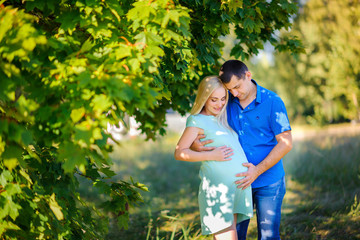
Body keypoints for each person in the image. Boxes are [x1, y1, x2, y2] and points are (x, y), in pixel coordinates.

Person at [191, 60, 293, 240]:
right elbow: (202, 126)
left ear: (248, 75)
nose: (235, 93)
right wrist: (195, 145)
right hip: (235, 183)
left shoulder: (272, 102)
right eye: (230, 90)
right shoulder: (226, 101)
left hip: (269, 181)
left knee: (269, 235)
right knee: (235, 235)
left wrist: (257, 171)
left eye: (237, 87)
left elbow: (285, 143)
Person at [174, 76, 253, 240]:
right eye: (214, 100)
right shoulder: (196, 120)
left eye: (223, 99)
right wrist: (211, 155)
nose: (219, 104)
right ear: (204, 98)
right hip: (218, 192)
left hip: (234, 190)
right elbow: (180, 152)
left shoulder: (221, 119)